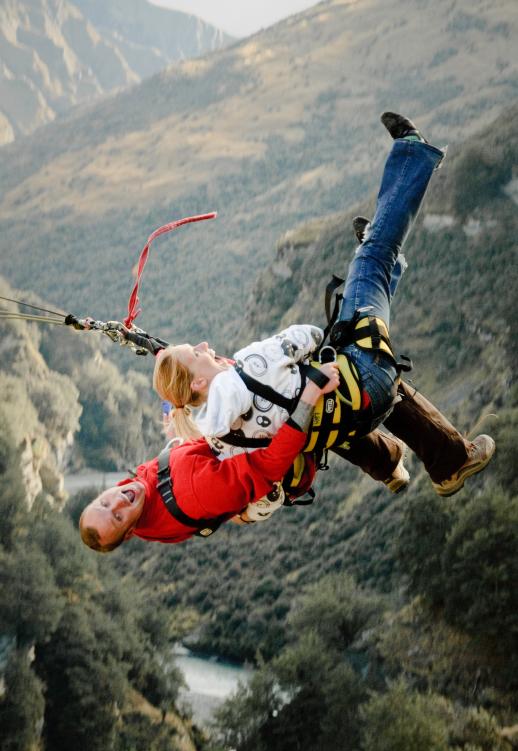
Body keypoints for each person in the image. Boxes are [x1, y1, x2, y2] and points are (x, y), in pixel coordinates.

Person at [153, 112, 494, 500]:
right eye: (195, 354)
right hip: (370, 378)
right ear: (198, 382)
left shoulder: (224, 438)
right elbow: (305, 336)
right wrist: (305, 347)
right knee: (371, 260)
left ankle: (409, 463)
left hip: (350, 422)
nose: (202, 346)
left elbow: (248, 406)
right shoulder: (251, 365)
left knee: (321, 389)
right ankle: (411, 154)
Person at [79, 365, 339, 550]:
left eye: (104, 503)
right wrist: (310, 395)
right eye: (117, 517)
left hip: (226, 463)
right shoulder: (193, 493)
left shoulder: (143, 496)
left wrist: (172, 427)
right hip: (281, 441)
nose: (118, 502)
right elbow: (267, 466)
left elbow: (175, 472)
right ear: (128, 534)